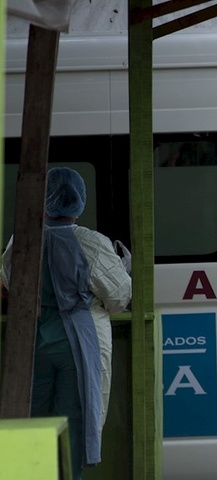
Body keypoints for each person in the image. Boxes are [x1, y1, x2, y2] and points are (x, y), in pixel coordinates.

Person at [1, 167, 132, 480]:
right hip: (80, 343)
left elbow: (9, 281)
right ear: (79, 202)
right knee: (73, 422)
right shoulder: (92, 243)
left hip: (34, 340)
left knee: (35, 417)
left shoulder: (22, 240)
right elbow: (118, 297)